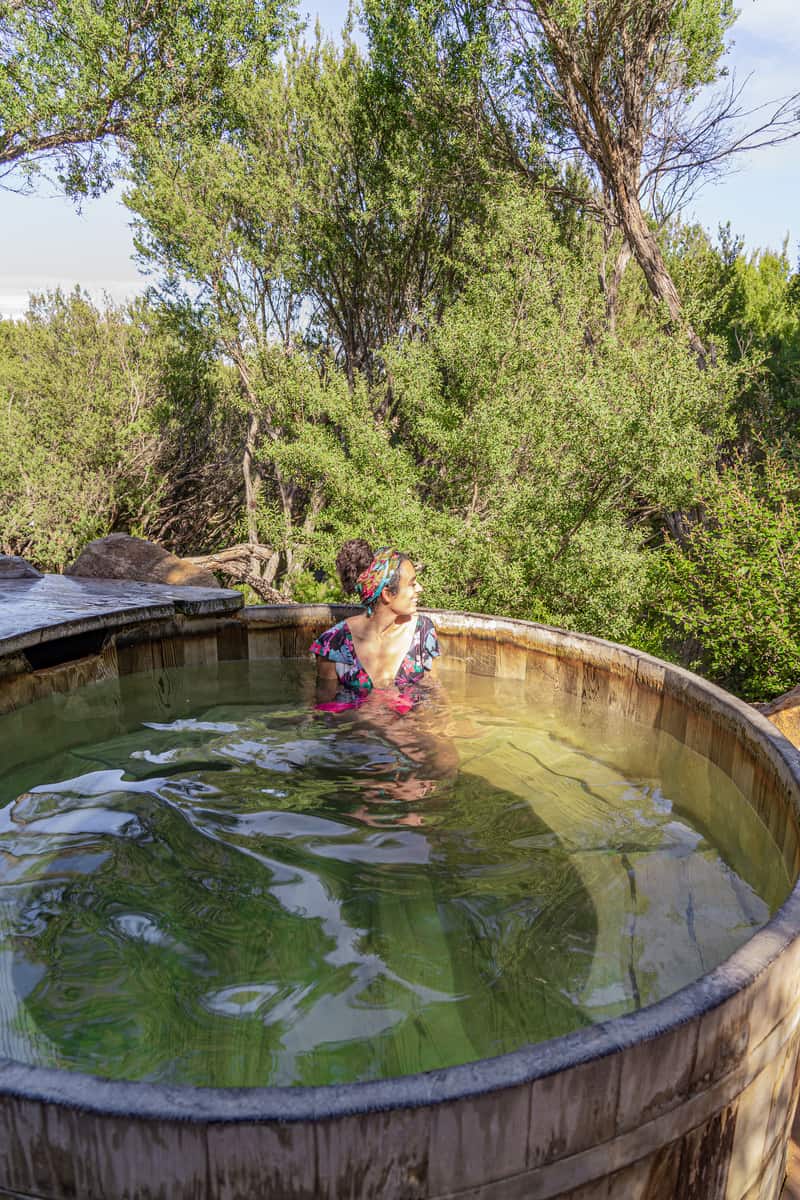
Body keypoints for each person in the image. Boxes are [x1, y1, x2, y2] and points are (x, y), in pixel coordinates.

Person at [310, 542, 440, 705]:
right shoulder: (333, 644)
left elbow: (436, 695)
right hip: (357, 728)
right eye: (412, 584)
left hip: (410, 728)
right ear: (387, 594)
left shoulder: (422, 632)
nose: (420, 588)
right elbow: (324, 708)